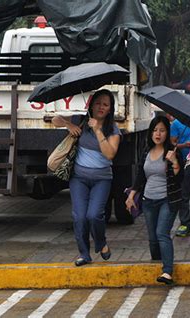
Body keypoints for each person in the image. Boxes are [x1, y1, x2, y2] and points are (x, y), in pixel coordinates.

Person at [52, 89, 121, 266]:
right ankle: (84, 253)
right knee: (79, 217)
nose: (101, 107)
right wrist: (69, 125)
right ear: (91, 104)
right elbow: (54, 119)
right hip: (79, 178)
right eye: (98, 103)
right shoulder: (81, 120)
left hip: (102, 179)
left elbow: (110, 154)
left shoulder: (112, 128)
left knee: (94, 215)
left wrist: (98, 130)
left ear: (110, 109)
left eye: (105, 104)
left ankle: (101, 242)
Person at [125, 115, 183, 285]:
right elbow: (141, 176)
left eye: (162, 130)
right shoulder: (146, 151)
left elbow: (181, 179)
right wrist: (131, 194)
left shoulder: (173, 152)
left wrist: (174, 163)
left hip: (167, 200)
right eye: (155, 130)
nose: (158, 134)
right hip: (148, 200)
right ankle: (157, 265)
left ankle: (167, 271)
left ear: (167, 133)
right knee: (152, 238)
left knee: (161, 233)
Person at [170, 118, 190, 237]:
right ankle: (185, 223)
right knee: (185, 194)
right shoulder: (176, 124)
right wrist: (184, 145)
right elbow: (172, 144)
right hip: (184, 162)